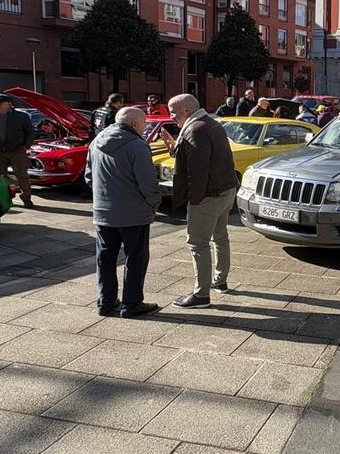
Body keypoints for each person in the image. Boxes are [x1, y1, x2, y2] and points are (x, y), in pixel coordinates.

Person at [85, 106, 161, 318]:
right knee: (135, 259)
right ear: (135, 124)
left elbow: (89, 177)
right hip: (133, 214)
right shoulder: (137, 146)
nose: (145, 128)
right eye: (145, 124)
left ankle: (106, 302)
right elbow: (148, 184)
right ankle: (132, 303)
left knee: (105, 259)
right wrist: (154, 204)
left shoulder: (97, 141)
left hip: (103, 213)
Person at [169, 93, 239, 307]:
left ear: (187, 110)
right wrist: (176, 150)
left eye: (173, 111)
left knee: (197, 243)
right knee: (220, 237)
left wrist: (194, 201)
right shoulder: (210, 123)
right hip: (225, 191)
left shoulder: (194, 129)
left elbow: (197, 171)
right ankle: (220, 282)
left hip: (208, 195)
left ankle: (201, 295)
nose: (171, 116)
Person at [0, 93, 36, 208]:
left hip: (17, 150)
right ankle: (4, 198)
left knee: (22, 175)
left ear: (9, 104)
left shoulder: (21, 116)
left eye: (0, 103)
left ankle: (26, 198)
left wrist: (25, 146)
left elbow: (30, 132)